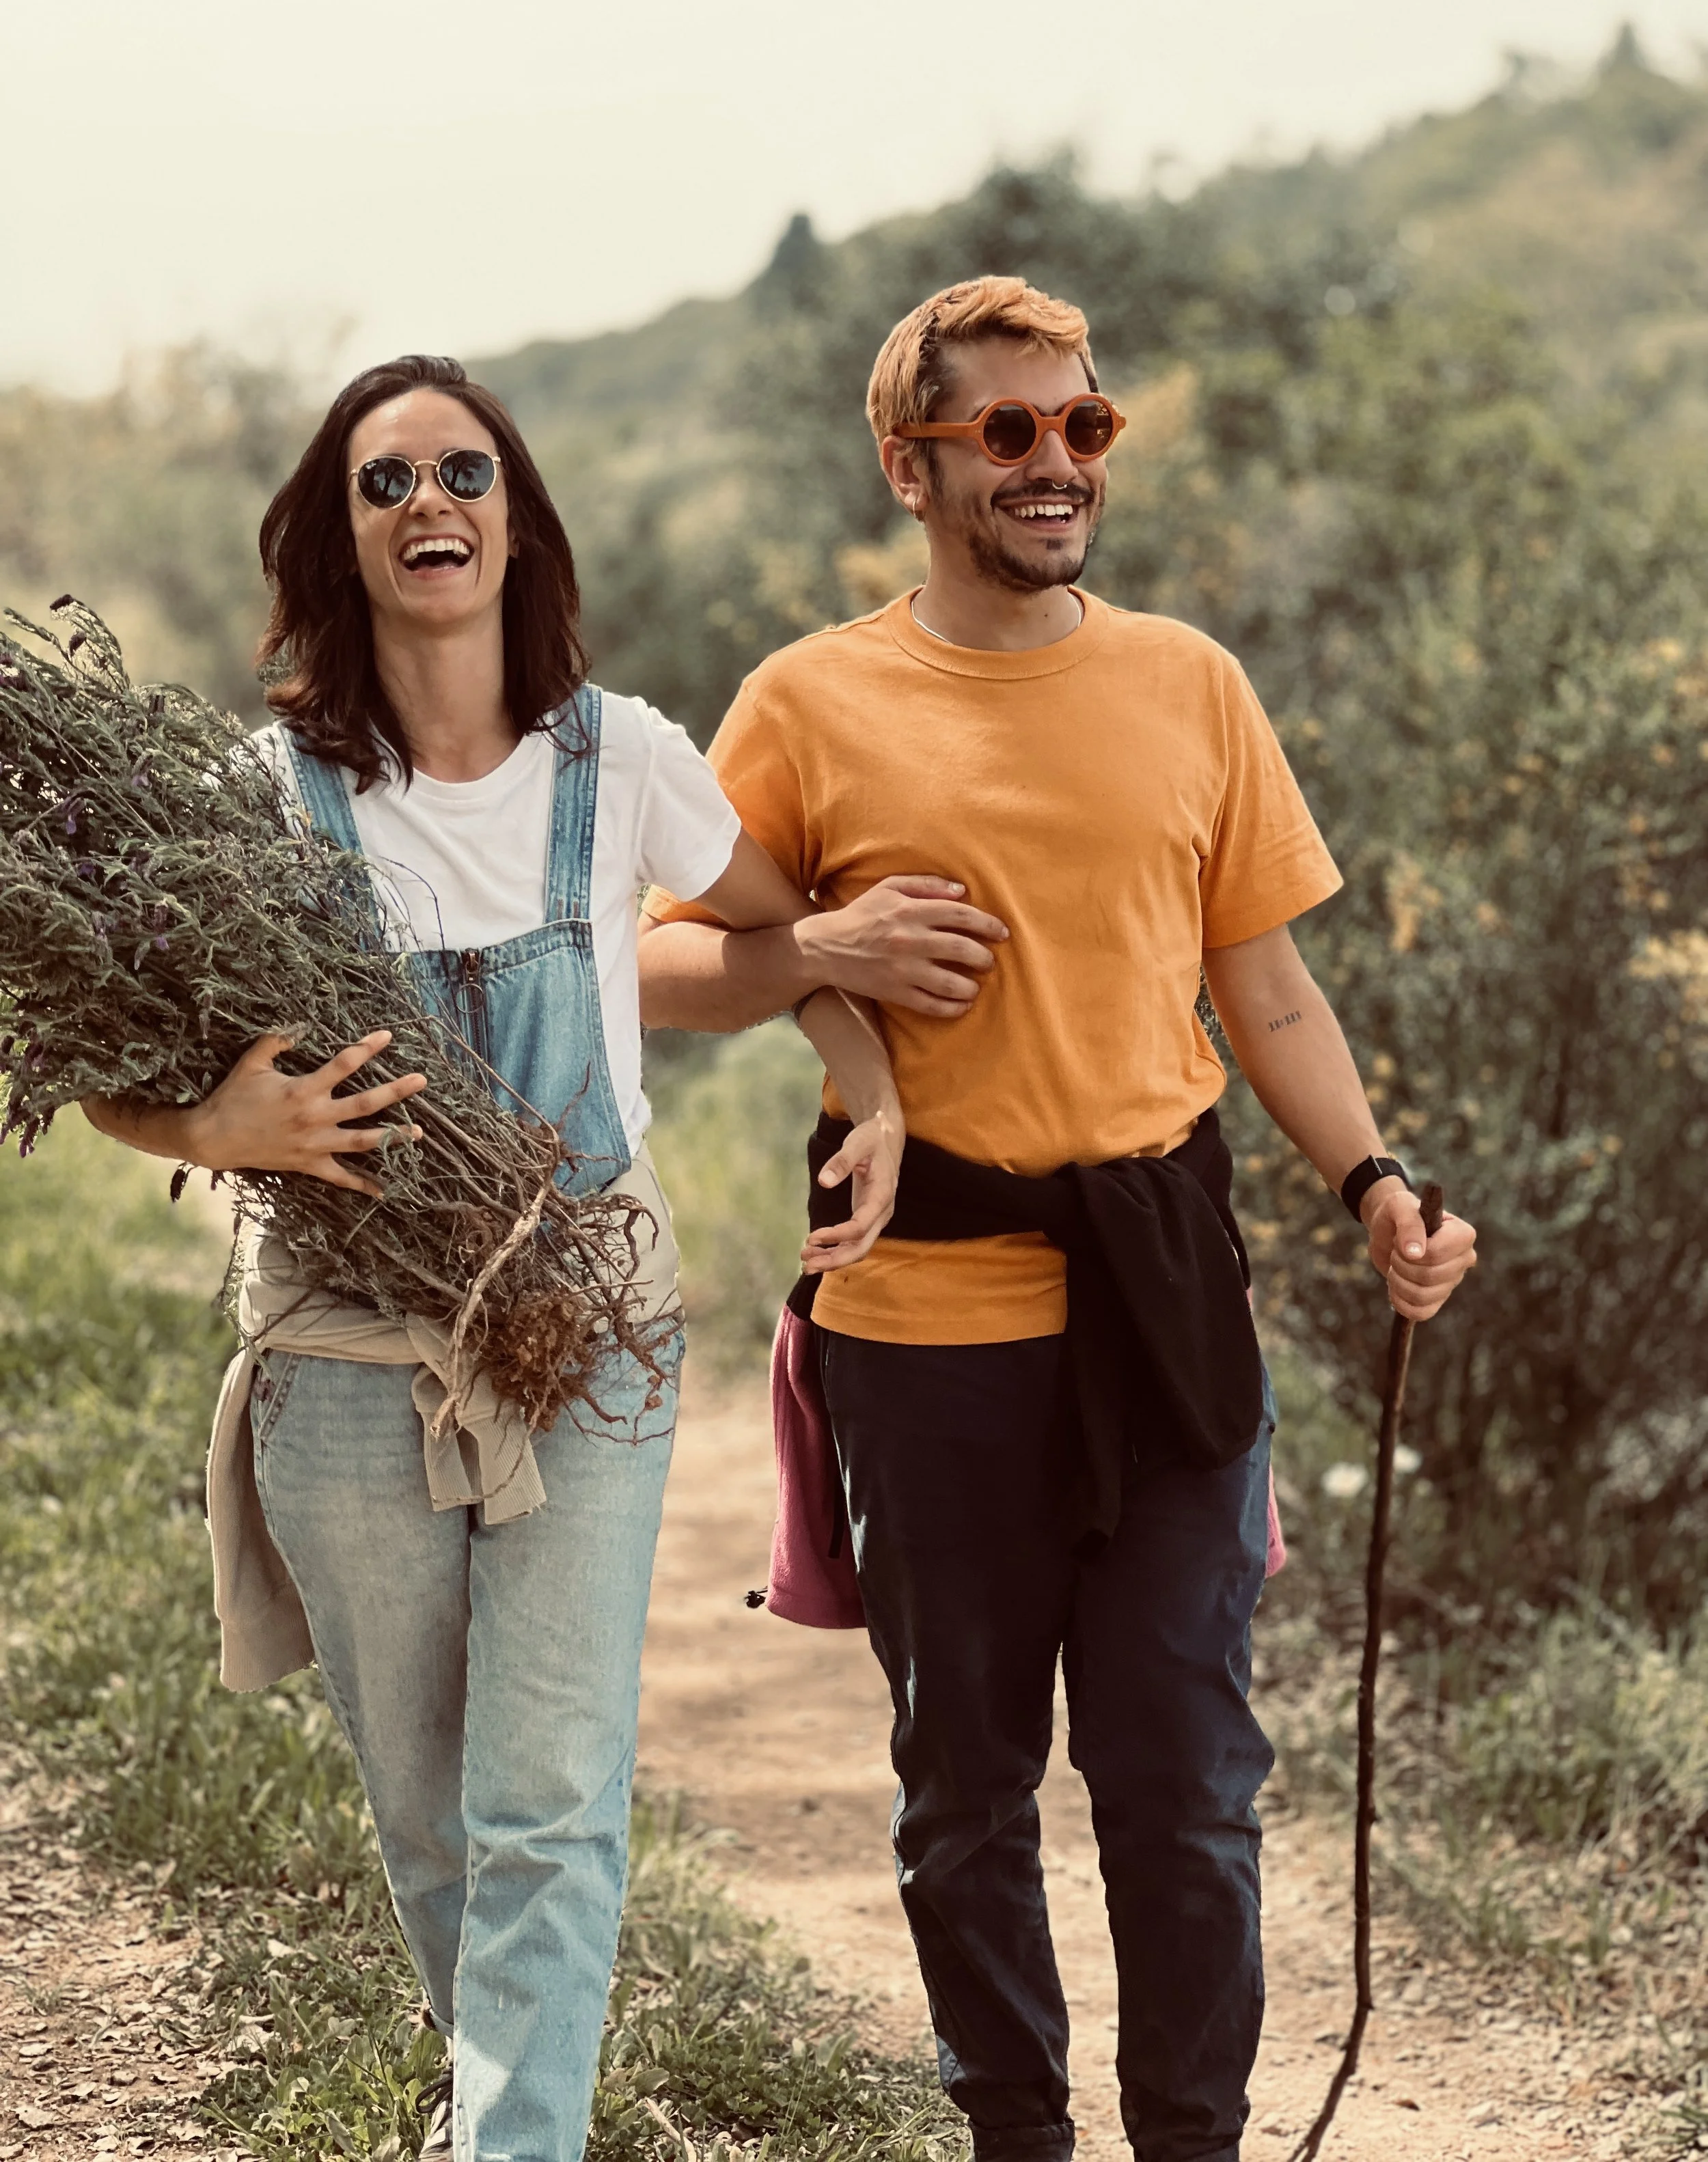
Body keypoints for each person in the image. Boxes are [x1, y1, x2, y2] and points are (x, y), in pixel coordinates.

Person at [637, 277, 1478, 2162]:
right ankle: (1010, 2135)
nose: (1053, 463)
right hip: (924, 1333)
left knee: (1185, 1785)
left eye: (1080, 425)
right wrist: (822, 945)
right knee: (964, 1788)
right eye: (1005, 432)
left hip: (1167, 1315)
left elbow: (1262, 993)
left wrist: (1373, 1183)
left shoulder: (1187, 682)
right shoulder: (810, 698)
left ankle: (1191, 2141)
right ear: (910, 466)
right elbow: (651, 957)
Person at [82, 354, 902, 2162]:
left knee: (545, 1799)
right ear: (338, 535)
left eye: (463, 471)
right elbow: (109, 1064)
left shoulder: (625, 758)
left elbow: (784, 930)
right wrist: (225, 1128)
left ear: (514, 520)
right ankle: (497, 2095)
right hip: (347, 1349)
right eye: (385, 483)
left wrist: (866, 1084)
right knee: (440, 1810)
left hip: (583, 1324)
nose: (428, 502)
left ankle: (512, 2139)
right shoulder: (260, 791)